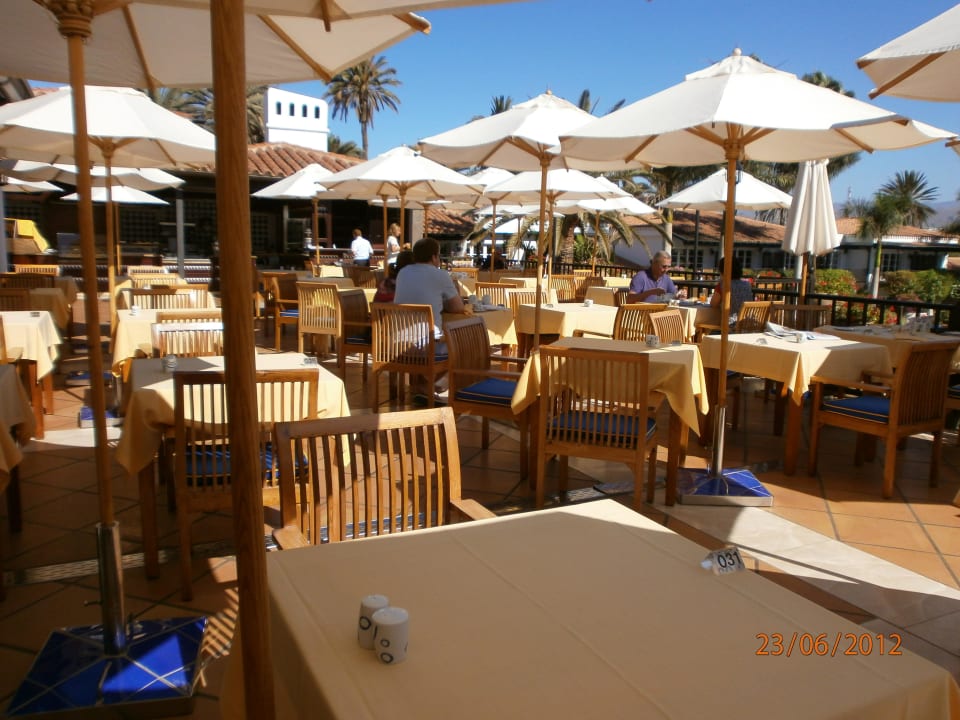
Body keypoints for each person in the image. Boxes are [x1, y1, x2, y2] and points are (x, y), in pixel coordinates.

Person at [394, 239, 465, 403]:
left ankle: (420, 387)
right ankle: (431, 386)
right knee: (463, 348)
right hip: (424, 347)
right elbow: (458, 308)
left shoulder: (403, 273)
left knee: (425, 336)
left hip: (396, 345)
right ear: (434, 257)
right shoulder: (440, 275)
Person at [710, 256, 754, 327]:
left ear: (722, 270)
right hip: (749, 324)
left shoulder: (723, 285)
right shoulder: (747, 284)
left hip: (731, 327)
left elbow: (713, 304)